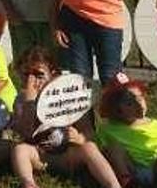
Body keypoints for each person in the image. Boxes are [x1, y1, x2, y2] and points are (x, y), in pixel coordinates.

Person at [10, 46, 121, 188]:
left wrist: (80, 138)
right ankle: (28, 183)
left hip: (68, 155)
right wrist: (30, 104)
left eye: (39, 75)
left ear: (53, 75)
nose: (32, 81)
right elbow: (25, 133)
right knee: (20, 149)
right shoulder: (21, 100)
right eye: (26, 75)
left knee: (90, 147)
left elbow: (89, 132)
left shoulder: (69, 97)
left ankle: (113, 184)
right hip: (40, 156)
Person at [97, 73, 157, 188]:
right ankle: (128, 183)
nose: (138, 104)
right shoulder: (108, 128)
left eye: (140, 98)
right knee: (113, 148)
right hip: (132, 169)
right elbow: (101, 150)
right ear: (117, 109)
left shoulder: (154, 123)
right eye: (129, 103)